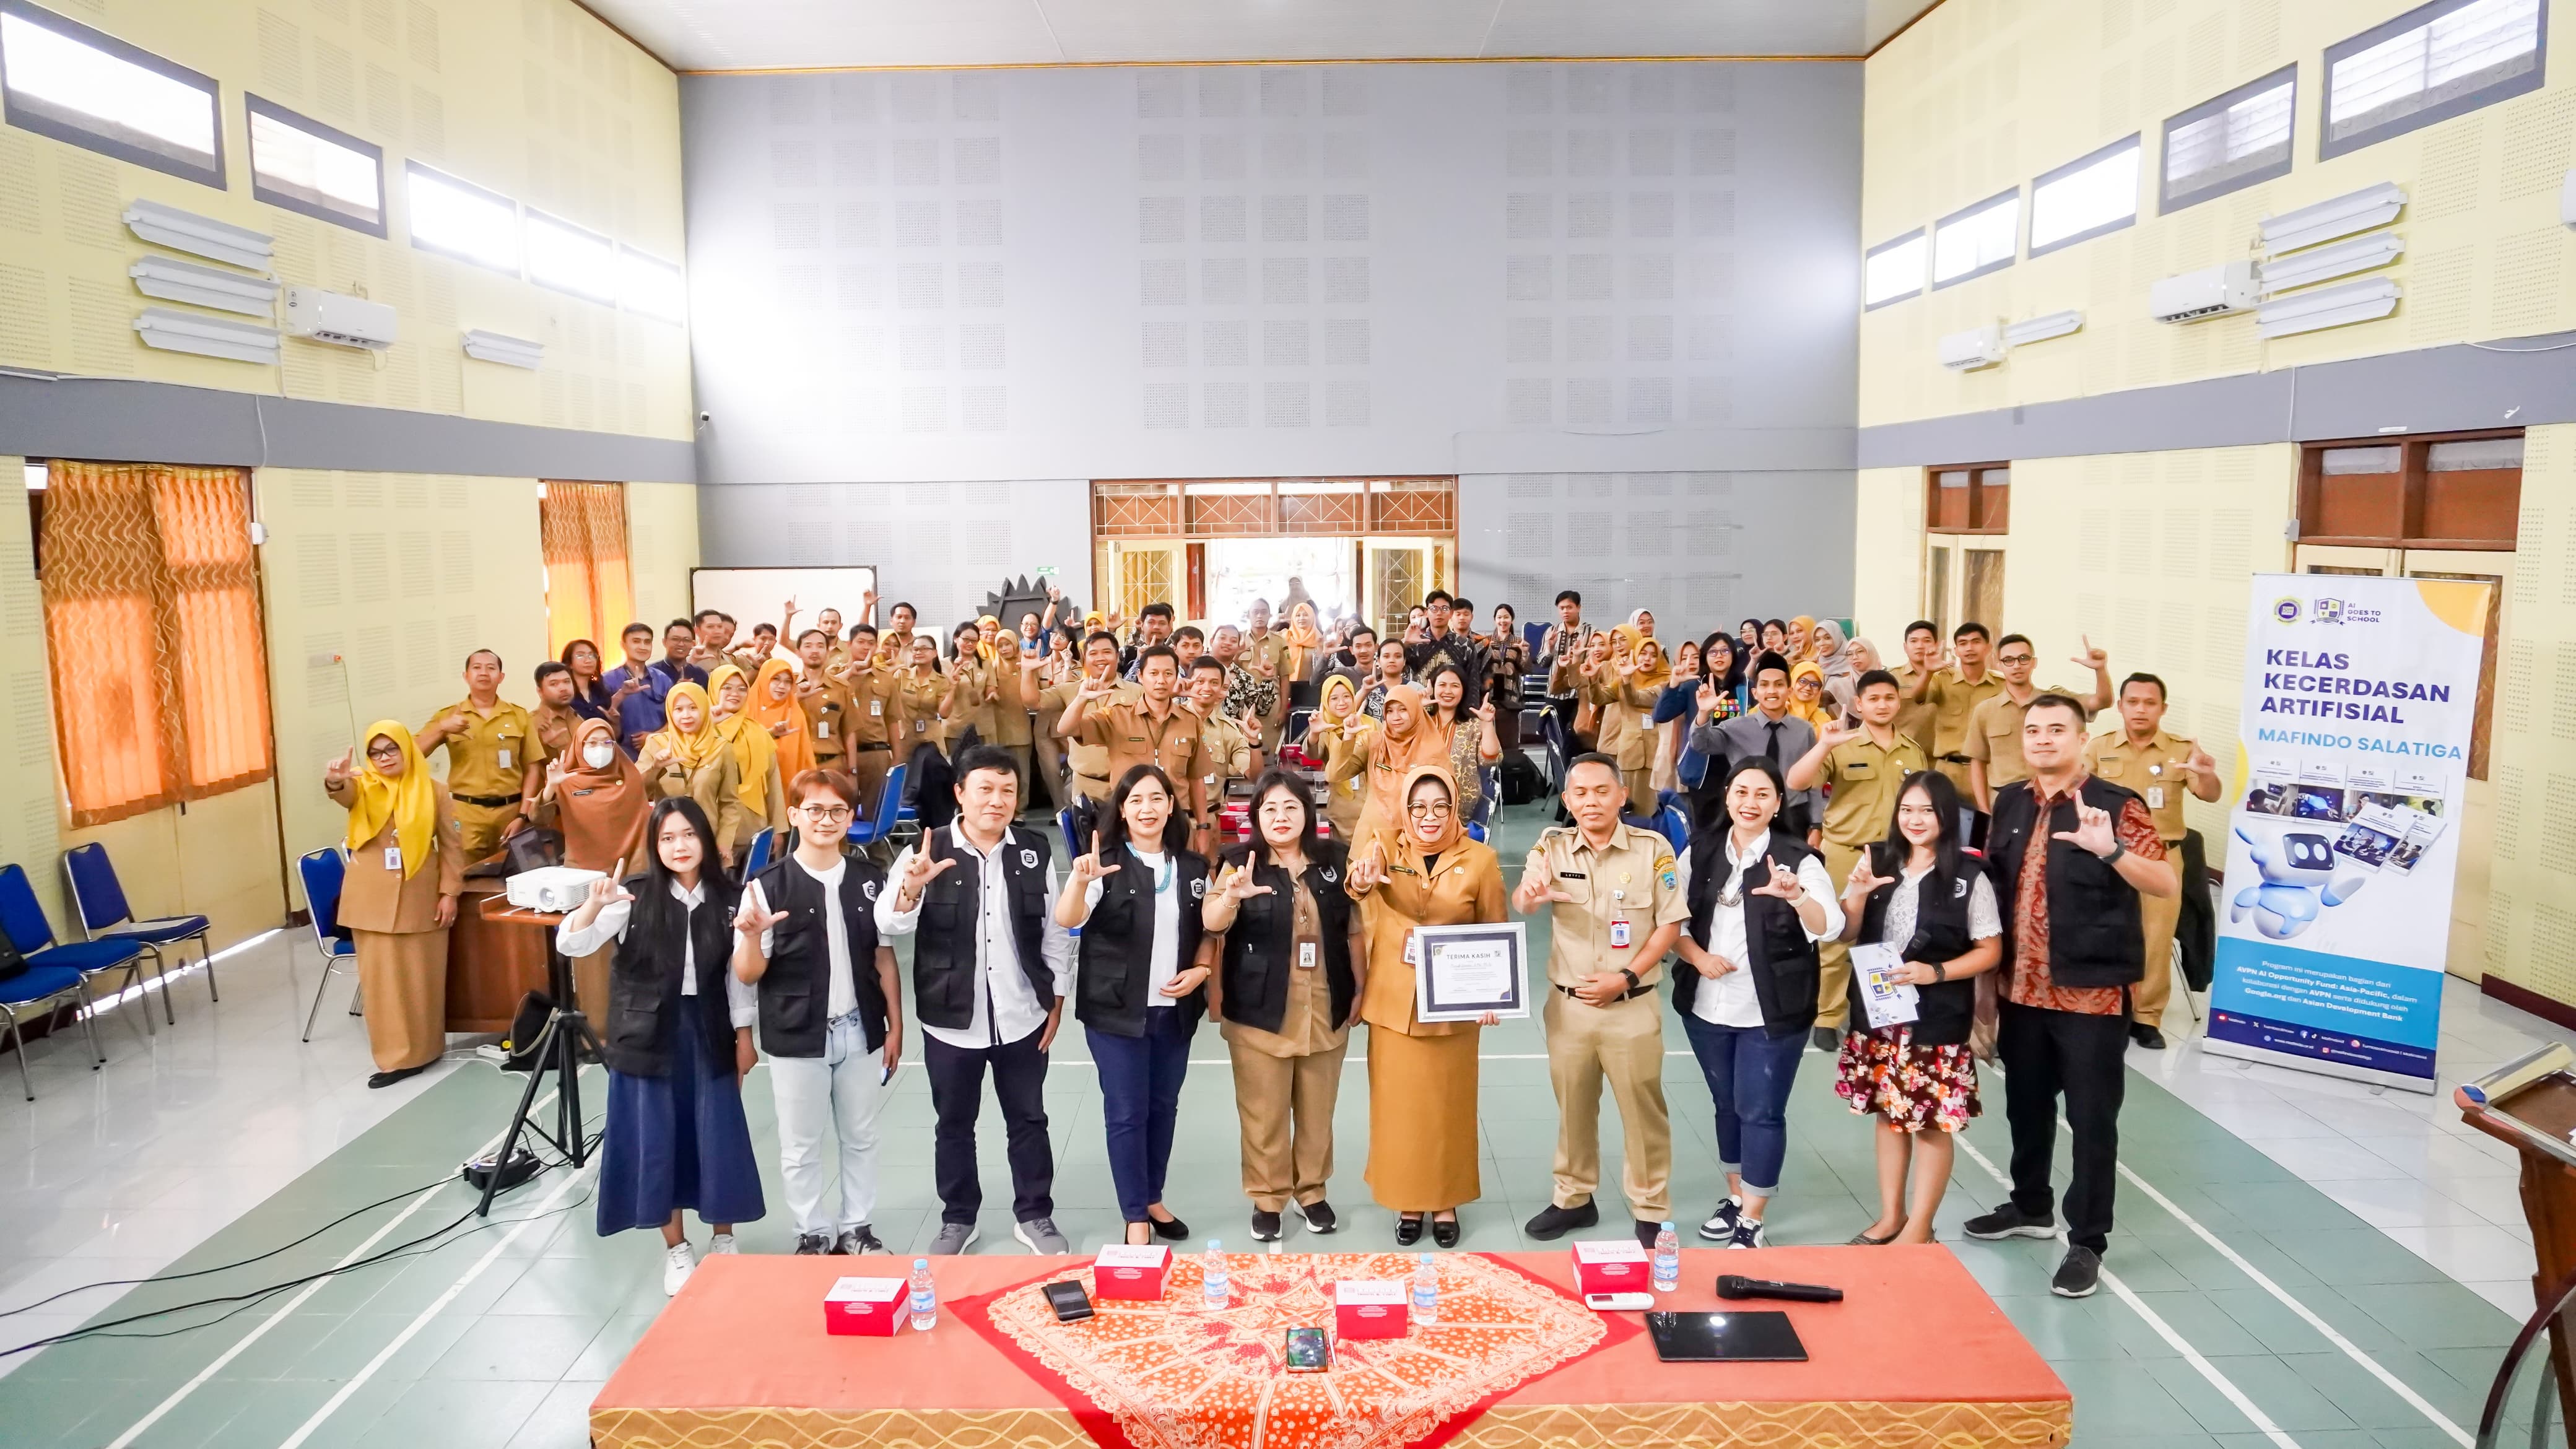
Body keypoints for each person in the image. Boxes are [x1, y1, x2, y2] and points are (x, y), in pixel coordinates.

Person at [1962, 694, 2177, 1299]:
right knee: (2024, 1109)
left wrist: (2108, 850)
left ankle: (2086, 1240)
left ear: (2082, 739)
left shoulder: (2113, 805)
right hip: (2020, 993)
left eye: (2057, 730)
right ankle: (2029, 1206)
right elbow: (1992, 902)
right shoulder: (2008, 801)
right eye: (2033, 730)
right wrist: (1984, 996)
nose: (2043, 739)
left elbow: (2163, 882)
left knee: (2090, 1121)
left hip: (2090, 997)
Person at [874, 746, 1076, 1256]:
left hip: (1023, 1015)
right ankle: (958, 1218)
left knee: (1029, 1120)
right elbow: (888, 924)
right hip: (950, 1020)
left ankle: (1035, 1215)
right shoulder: (927, 849)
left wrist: (1056, 996)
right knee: (954, 1124)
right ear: (960, 793)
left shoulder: (1033, 850)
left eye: (1007, 791)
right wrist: (911, 891)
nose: (997, 800)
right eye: (984, 789)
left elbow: (1056, 931)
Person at [559, 798, 763, 1294]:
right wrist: (593, 901)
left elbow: (740, 981)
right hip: (647, 1038)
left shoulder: (732, 898)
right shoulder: (632, 897)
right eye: (667, 838)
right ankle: (677, 1249)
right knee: (660, 1141)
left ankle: (724, 1240)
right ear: (655, 845)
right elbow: (572, 944)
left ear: (706, 840)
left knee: (717, 1136)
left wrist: (744, 1036)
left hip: (708, 1029)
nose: (679, 846)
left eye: (688, 835)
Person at [1516, 755, 1689, 1248]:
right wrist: (1531, 894)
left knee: (1642, 1110)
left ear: (1620, 796)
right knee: (1573, 1107)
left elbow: (1670, 924)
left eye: (1600, 791)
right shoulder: (1552, 846)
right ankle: (1574, 1198)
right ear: (1567, 800)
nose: (1590, 801)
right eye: (1580, 793)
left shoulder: (1652, 849)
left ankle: (1651, 1207)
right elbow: (1525, 900)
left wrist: (1626, 977)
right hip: (1570, 1009)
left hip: (1631, 1004)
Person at [732, 769, 905, 1255]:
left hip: (860, 1030)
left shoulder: (871, 880)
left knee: (860, 1136)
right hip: (796, 1034)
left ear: (851, 818)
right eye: (814, 810)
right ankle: (812, 1231)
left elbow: (883, 956)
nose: (825, 820)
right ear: (794, 815)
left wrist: (895, 1023)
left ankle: (856, 1228)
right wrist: (749, 936)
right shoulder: (765, 887)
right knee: (800, 1144)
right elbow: (747, 974)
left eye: (837, 811)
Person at [1669, 757, 1840, 1248]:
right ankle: (1736, 1197)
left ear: (1778, 804)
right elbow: (1670, 920)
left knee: (1760, 1110)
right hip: (1705, 1006)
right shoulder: (1699, 852)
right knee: (1727, 1105)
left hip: (1773, 1010)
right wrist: (1698, 957)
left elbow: (1828, 925)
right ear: (1727, 797)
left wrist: (1795, 895)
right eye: (1742, 792)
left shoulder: (1799, 859)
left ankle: (1754, 1219)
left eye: (1762, 794)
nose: (1750, 803)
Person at [1832, 770, 2000, 1247]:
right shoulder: (1878, 861)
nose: (1915, 819)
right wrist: (1859, 895)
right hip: (1880, 1019)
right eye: (1907, 809)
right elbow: (1846, 931)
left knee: (1929, 1123)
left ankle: (1921, 1228)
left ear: (1947, 816)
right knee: (1889, 1116)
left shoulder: (1969, 876)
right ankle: (1891, 1217)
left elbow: (1990, 951)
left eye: (1927, 809)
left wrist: (1937, 973)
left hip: (1935, 1021)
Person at [1347, 765, 1505, 1245]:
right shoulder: (1384, 846)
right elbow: (1355, 889)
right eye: (1419, 807)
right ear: (1406, 809)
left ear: (1454, 807)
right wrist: (1361, 878)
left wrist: (1494, 993)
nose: (1429, 817)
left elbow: (1494, 928)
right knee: (1398, 1113)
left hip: (1454, 1007)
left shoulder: (1480, 859)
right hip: (1394, 1002)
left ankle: (1445, 1203)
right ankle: (1407, 1201)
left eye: (1440, 806)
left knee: (1448, 1112)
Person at [1058, 765, 1214, 1246]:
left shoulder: (1191, 868)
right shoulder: (1104, 863)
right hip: (1116, 1013)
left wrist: (1202, 969)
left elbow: (1210, 928)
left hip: (1174, 1013)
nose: (1147, 809)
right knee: (1127, 1113)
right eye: (1136, 801)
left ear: (1172, 805)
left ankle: (1152, 1196)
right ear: (1122, 811)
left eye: (1156, 799)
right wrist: (1080, 881)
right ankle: (1135, 1217)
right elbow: (1069, 919)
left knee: (1163, 1107)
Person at [1206, 771, 1364, 1243]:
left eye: (1290, 807)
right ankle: (1268, 1197)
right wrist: (1230, 898)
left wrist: (1360, 989)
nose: (1281, 817)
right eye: (1270, 809)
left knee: (1318, 1113)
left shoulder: (1334, 860)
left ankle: (1312, 1192)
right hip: (1259, 1013)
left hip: (1325, 1007)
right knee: (1264, 1114)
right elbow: (1212, 923)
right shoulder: (1238, 863)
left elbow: (1354, 931)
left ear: (1307, 813)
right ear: (1256, 815)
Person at [1785, 669, 1931, 1050]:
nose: (1882, 705)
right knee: (1837, 935)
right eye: (1874, 699)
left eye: (1889, 698)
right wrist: (1824, 745)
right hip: (1847, 855)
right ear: (1859, 705)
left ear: (1898, 702)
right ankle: (1827, 1016)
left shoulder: (1913, 750)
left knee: (1892, 936)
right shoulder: (1841, 744)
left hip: (1898, 858)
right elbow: (1796, 782)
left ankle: (1880, 1013)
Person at [323, 723, 465, 1089]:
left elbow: (452, 846)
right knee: (382, 984)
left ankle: (426, 1050)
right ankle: (395, 1058)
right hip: (371, 900)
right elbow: (344, 793)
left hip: (422, 896)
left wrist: (449, 893)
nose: (384, 758)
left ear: (407, 750)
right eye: (376, 752)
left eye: (391, 750)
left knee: (422, 979)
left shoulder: (436, 791)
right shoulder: (363, 786)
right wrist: (337, 780)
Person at [2084, 673, 2221, 1050]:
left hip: (2161, 857)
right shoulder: (2099, 748)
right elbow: (2075, 793)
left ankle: (2146, 1017)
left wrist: (2207, 775)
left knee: (2157, 939)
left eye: (2149, 703)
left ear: (2163, 708)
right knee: (2103, 931)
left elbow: (2209, 794)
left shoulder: (2181, 751)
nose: (2141, 709)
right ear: (2121, 706)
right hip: (2108, 856)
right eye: (2133, 702)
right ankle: (2106, 1006)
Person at [544, 716, 652, 1014]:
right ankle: (595, 1031)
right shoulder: (568, 780)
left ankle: (633, 1022)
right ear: (579, 746)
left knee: (634, 953)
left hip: (630, 873)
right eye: (592, 743)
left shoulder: (628, 774)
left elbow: (643, 820)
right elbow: (538, 819)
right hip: (586, 879)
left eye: (606, 742)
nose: (600, 749)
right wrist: (550, 789)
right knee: (592, 956)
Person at [1056, 644, 1208, 839]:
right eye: (1153, 673)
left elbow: (1196, 779)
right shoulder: (1117, 716)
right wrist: (1081, 699)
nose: (1161, 680)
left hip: (1176, 820)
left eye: (1168, 673)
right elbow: (1065, 729)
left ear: (1176, 677)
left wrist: (1203, 827)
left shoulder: (1190, 720)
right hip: (1128, 822)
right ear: (1140, 677)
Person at [1965, 633, 2115, 813]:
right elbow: (1978, 762)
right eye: (2008, 660)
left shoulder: (2057, 701)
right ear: (1999, 665)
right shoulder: (1985, 710)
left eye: (2023, 658)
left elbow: (2102, 701)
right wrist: (1984, 809)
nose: (2017, 665)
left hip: (2055, 798)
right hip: (2004, 801)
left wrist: (2100, 670)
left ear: (2034, 662)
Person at [414, 650, 543, 860]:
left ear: (501, 677)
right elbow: (414, 753)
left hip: (510, 813)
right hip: (466, 814)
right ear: (466, 676)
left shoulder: (518, 715)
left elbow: (532, 768)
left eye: (491, 668)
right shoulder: (447, 716)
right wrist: (442, 728)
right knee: (464, 878)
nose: (484, 673)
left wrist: (523, 815)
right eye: (477, 668)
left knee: (511, 875)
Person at [1689, 653, 1822, 838]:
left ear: (1789, 691)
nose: (1772, 691)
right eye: (1764, 685)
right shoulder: (1736, 727)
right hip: (1749, 814)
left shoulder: (1804, 730)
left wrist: (1816, 825)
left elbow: (1814, 780)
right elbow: (1701, 744)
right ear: (1755, 692)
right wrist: (1704, 713)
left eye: (1779, 685)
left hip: (1793, 814)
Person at [638, 682, 749, 871]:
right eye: (679, 709)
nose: (686, 715)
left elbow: (730, 802)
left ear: (705, 709)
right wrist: (655, 768)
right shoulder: (656, 744)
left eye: (693, 708)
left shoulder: (722, 748)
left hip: (708, 840)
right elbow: (637, 792)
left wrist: (723, 842)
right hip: (667, 841)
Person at [1905, 622, 2002, 812]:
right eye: (1963, 643)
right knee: (1944, 831)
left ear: (1989, 648)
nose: (1970, 648)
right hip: (1948, 771)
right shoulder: (1942, 680)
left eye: (1976, 642)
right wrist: (1928, 672)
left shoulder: (2001, 685)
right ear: (1956, 650)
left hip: (1988, 772)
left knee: (1986, 830)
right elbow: (1917, 696)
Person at [1043, 630, 1136, 816]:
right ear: (1085, 658)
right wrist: (1028, 672)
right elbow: (1032, 701)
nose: (1100, 658)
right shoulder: (1072, 690)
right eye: (1093, 653)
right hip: (1087, 788)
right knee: (1087, 842)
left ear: (1118, 656)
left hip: (1129, 787)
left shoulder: (1138, 692)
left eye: (1107, 652)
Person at [1352, 684, 1453, 848]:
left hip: (1414, 845)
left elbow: (1446, 802)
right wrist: (1348, 737)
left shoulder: (1433, 752)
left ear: (1415, 711)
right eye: (1390, 711)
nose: (1395, 717)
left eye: (1403, 710)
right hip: (1370, 843)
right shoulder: (1375, 743)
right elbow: (1336, 773)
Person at [708, 664, 788, 855]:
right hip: (711, 829)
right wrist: (707, 726)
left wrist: (778, 829)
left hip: (752, 829)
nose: (735, 693)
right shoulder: (697, 732)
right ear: (713, 689)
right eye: (726, 687)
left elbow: (773, 783)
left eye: (742, 688)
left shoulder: (758, 732)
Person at [1185, 656, 1258, 855]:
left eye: (1215, 683)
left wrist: (1254, 742)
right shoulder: (1169, 718)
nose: (1207, 687)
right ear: (1188, 682)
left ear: (1222, 690)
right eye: (1200, 681)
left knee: (1207, 879)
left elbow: (1254, 774)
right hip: (1171, 821)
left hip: (1209, 820)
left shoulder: (1229, 729)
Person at [832, 622, 901, 813]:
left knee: (876, 812)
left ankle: (875, 844)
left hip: (876, 754)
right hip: (841, 756)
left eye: (871, 643)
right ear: (849, 644)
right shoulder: (835, 675)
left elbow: (892, 720)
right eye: (860, 642)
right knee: (841, 810)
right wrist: (850, 674)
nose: (866, 647)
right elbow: (826, 692)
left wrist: (897, 758)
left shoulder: (886, 678)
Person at [1422, 664, 1499, 822]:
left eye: (1455, 686)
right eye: (1442, 685)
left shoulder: (1473, 725)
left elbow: (1491, 759)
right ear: (1432, 688)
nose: (1448, 691)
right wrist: (1416, 710)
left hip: (1460, 810)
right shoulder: (1420, 721)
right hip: (1420, 806)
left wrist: (1487, 723)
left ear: (1464, 690)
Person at [1304, 673, 1373, 841]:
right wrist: (1314, 733)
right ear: (1326, 702)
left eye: (1346, 697)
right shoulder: (1324, 726)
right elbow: (1312, 754)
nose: (1341, 703)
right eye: (1334, 698)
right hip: (1343, 810)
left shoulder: (1370, 724)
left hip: (1373, 805)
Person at [981, 631, 1042, 808]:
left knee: (1022, 774)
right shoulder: (992, 667)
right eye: (1000, 646)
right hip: (997, 729)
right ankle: (1003, 809)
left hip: (1020, 727)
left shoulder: (1025, 664)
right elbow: (987, 689)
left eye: (1007, 644)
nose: (1004, 649)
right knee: (999, 774)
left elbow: (1036, 689)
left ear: (1016, 644)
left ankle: (1020, 810)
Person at [602, 622, 667, 754]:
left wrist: (653, 737)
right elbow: (604, 720)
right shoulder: (608, 680)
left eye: (647, 642)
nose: (643, 647)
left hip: (662, 751)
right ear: (623, 645)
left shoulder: (663, 679)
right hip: (624, 755)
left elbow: (674, 717)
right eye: (636, 641)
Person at [1539, 589, 1595, 738]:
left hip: (1580, 695)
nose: (1565, 611)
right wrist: (1550, 648)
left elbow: (1594, 663)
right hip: (1555, 693)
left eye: (1569, 607)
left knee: (1578, 738)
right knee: (1556, 739)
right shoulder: (1552, 631)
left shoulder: (1591, 633)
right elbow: (1542, 663)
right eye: (1562, 608)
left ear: (1579, 608)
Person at [1651, 640, 1702, 794]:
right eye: (1684, 657)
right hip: (1668, 757)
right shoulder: (1670, 686)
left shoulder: (1706, 687)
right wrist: (1674, 684)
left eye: (1695, 657)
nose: (1690, 662)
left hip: (1692, 759)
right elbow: (1659, 715)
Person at [1890, 621, 1943, 754]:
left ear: (1936, 645)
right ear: (1905, 647)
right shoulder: (1892, 678)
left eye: (1926, 641)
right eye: (1914, 641)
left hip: (1941, 758)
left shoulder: (1949, 677)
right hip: (1904, 753)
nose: (1920, 646)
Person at [529, 661, 583, 790]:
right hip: (553, 800)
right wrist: (542, 742)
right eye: (554, 684)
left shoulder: (579, 719)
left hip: (584, 795)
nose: (563, 688)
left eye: (567, 682)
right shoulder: (530, 723)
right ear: (540, 691)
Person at [1486, 604, 1530, 752]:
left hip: (1510, 700)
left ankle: (1509, 773)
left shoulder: (1519, 643)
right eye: (1499, 617)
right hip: (1490, 698)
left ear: (1512, 619)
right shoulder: (1486, 643)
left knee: (1509, 745)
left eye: (1506, 617)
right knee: (1489, 744)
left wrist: (1524, 653)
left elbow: (1526, 669)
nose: (1502, 621)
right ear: (1494, 620)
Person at [560, 640, 619, 733]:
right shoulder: (564, 693)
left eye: (592, 655)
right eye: (580, 655)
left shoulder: (602, 692)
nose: (588, 660)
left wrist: (615, 722)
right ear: (569, 663)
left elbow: (615, 737)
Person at [653, 619, 707, 691]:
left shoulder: (700, 674)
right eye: (675, 639)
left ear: (693, 644)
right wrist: (675, 690)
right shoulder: (652, 673)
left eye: (686, 640)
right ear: (664, 642)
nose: (681, 644)